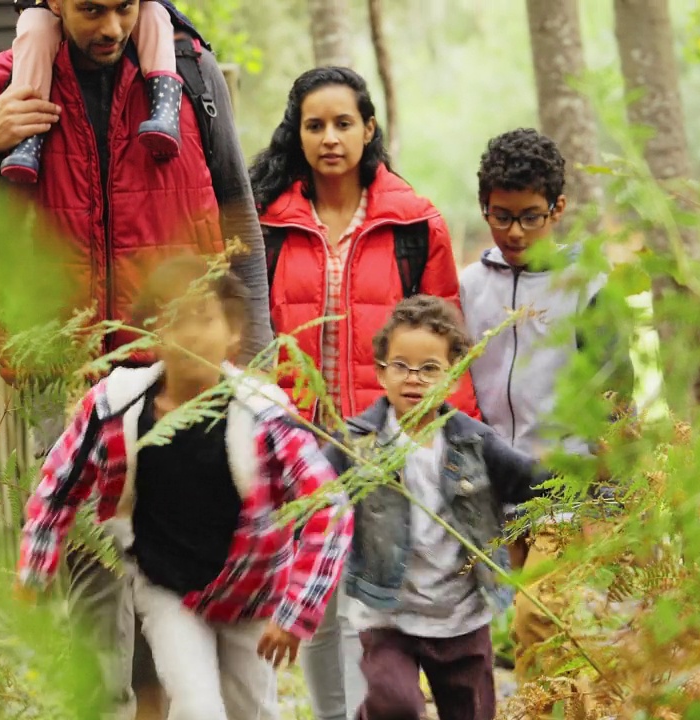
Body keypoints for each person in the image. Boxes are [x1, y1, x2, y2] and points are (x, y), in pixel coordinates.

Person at [0, 1, 274, 717]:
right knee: (92, 550)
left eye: (124, 7)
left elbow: (236, 210)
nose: (109, 26)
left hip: (180, 353)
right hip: (61, 361)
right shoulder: (7, 83)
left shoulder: (191, 73)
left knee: (177, 541)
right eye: (90, 9)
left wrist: (252, 352)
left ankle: (167, 704)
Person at [17, 255, 352, 720]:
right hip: (166, 587)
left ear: (233, 333)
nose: (189, 334)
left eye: (204, 318)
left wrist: (298, 611)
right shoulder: (118, 406)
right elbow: (59, 484)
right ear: (154, 335)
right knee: (196, 708)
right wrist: (35, 565)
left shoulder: (264, 416)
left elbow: (329, 509)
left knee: (249, 711)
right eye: (174, 319)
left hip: (249, 590)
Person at [248, 65, 481, 720]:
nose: (329, 138)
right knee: (316, 601)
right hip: (296, 447)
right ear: (297, 134)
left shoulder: (414, 224)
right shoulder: (266, 223)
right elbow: (246, 335)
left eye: (343, 123)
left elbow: (447, 346)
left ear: (368, 128)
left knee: (374, 602)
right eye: (314, 125)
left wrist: (457, 454)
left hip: (385, 443)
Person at [458, 128, 634, 681]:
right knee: (530, 627)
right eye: (500, 215)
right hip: (496, 484)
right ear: (483, 207)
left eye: (530, 216)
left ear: (558, 209)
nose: (514, 231)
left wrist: (609, 500)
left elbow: (616, 397)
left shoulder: (588, 288)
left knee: (539, 617)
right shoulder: (468, 288)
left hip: (567, 485)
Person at [323, 295, 547, 720]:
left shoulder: (472, 441)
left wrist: (592, 484)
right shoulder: (357, 443)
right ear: (381, 372)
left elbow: (529, 479)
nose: (415, 379)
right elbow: (311, 485)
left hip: (460, 614)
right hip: (387, 615)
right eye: (401, 366)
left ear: (453, 376)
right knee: (397, 706)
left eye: (430, 369)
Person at [2, 0, 194, 183]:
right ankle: (29, 136)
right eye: (92, 9)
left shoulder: (196, 71)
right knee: (35, 27)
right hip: (43, 13)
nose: (112, 30)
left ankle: (165, 106)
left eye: (124, 6)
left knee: (155, 14)